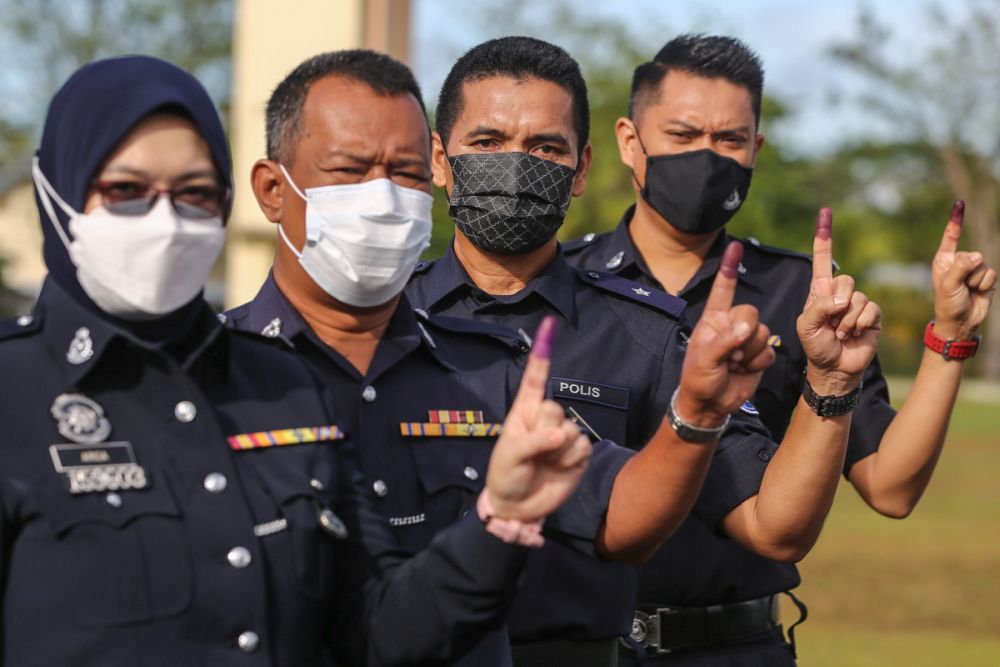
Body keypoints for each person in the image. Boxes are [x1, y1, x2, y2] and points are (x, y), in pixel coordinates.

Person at [0, 54, 593, 667]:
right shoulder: (11, 390)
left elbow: (378, 629)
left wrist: (499, 521)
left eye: (196, 193)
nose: (166, 219)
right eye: (126, 190)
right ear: (59, 193)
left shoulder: (280, 385)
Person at [229, 49, 769, 666]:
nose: (380, 198)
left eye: (401, 174)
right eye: (350, 170)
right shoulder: (209, 372)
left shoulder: (483, 366)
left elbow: (616, 513)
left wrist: (695, 413)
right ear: (274, 189)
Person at [406, 36, 881, 666]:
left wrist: (827, 382)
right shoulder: (382, 325)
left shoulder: (648, 331)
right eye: (487, 143)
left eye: (546, 148)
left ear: (580, 171)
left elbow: (776, 527)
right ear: (441, 159)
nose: (515, 167)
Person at [564, 34, 998, 664]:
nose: (707, 156)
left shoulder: (803, 293)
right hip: (584, 646)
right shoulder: (569, 286)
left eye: (730, 140)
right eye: (683, 136)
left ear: (755, 150)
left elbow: (892, 487)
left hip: (738, 646)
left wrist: (949, 336)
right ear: (631, 141)